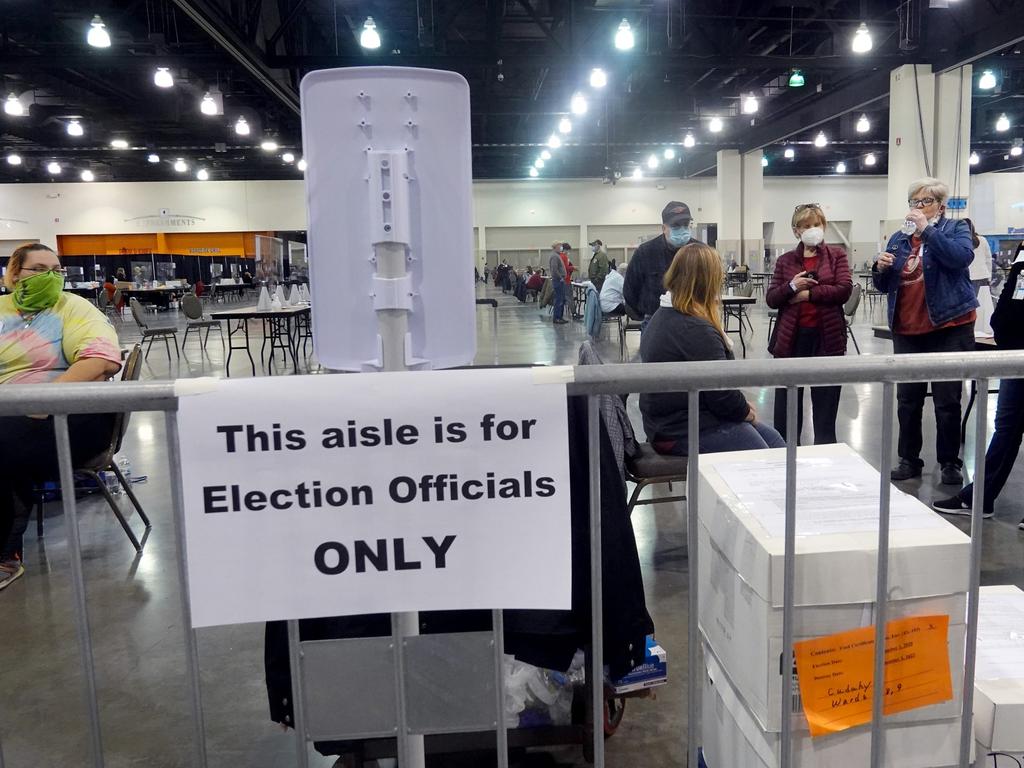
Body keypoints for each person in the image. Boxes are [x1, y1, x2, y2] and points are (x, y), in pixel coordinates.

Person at [0, 244, 122, 591]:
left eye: (57, 270)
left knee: (4, 441)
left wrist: (43, 400)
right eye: (40, 269)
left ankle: (6, 554)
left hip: (67, 417)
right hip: (9, 417)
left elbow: (101, 361)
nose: (51, 277)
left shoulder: (73, 308)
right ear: (14, 274)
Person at [873, 178, 978, 484]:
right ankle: (909, 458)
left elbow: (960, 258)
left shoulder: (956, 229)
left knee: (947, 400)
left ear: (940, 206)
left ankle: (948, 462)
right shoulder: (899, 238)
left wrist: (928, 230)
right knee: (908, 400)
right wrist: (879, 268)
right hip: (907, 328)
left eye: (925, 202)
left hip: (949, 326)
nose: (917, 208)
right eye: (913, 202)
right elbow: (883, 285)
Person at [639, 243, 785, 455]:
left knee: (775, 441)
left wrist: (742, 409)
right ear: (707, 281)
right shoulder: (693, 327)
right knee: (762, 456)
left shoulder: (665, 313)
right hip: (679, 430)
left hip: (673, 422)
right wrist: (744, 411)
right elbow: (721, 394)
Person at [933, 245, 1024, 521]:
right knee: (1006, 428)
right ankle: (980, 497)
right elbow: (1012, 296)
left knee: (1007, 428)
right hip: (1016, 354)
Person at [766, 204, 853, 444]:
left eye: (816, 224)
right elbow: (772, 299)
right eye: (806, 226)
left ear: (823, 226)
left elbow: (844, 289)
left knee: (826, 404)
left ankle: (823, 452)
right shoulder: (785, 261)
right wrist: (792, 286)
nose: (812, 229)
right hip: (791, 340)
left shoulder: (837, 256)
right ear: (796, 231)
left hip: (827, 339)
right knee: (787, 405)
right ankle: (785, 451)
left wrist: (809, 295)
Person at [624, 201, 701, 321]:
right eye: (676, 226)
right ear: (664, 228)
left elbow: (710, 287)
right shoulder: (646, 252)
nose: (682, 229)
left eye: (686, 225)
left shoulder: (701, 252)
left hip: (693, 319)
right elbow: (630, 289)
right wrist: (644, 314)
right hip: (655, 320)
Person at [966, 218, 994, 337]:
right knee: (983, 305)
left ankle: (970, 329)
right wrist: (989, 276)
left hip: (967, 277)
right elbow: (989, 259)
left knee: (968, 307)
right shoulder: (982, 240)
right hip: (982, 276)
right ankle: (984, 329)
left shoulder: (960, 241)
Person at [548, 242, 568, 325]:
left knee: (561, 299)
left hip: (559, 280)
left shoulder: (557, 255)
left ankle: (560, 317)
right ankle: (557, 318)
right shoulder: (554, 256)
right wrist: (560, 278)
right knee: (559, 300)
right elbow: (554, 270)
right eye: (559, 246)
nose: (561, 247)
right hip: (558, 281)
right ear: (555, 247)